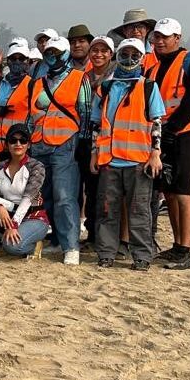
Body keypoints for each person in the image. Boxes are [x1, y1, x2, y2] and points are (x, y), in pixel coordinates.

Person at [90, 39, 165, 271]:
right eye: (125, 54)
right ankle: (106, 254)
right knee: (106, 211)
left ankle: (142, 256)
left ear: (142, 58)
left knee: (139, 211)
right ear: (118, 56)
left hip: (138, 161)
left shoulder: (148, 86)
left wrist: (156, 152)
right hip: (109, 160)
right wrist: (94, 153)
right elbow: (96, 124)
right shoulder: (106, 87)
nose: (129, 59)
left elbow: (157, 123)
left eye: (134, 54)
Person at [144, 18, 190, 271]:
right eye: (156, 37)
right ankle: (176, 245)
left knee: (183, 192)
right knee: (168, 192)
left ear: (177, 38)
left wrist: (172, 129)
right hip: (162, 137)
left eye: (165, 36)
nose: (160, 41)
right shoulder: (152, 69)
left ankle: (185, 248)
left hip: (187, 134)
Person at [27, 36, 91, 265]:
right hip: (39, 145)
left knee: (65, 196)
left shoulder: (79, 78)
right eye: (49, 53)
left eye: (57, 52)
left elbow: (85, 112)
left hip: (66, 144)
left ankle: (71, 245)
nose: (52, 57)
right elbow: (30, 117)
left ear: (66, 54)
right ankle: (53, 239)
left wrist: (82, 144)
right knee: (43, 196)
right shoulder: (37, 82)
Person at [0, 125, 51, 258]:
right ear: (7, 144)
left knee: (12, 246)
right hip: (8, 213)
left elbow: (28, 199)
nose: (18, 144)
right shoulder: (0, 166)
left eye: (23, 140)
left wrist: (14, 224)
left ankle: (35, 245)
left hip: (33, 217)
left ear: (28, 145)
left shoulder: (36, 167)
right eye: (13, 140)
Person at [80, 36, 116, 248]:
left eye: (104, 50)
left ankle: (108, 239)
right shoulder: (83, 78)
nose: (98, 54)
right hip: (86, 139)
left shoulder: (116, 79)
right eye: (95, 50)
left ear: (111, 54)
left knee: (109, 192)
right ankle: (93, 236)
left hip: (111, 142)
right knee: (91, 191)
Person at [0, 42, 34, 155]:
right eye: (13, 58)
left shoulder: (32, 85)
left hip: (20, 145)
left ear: (27, 61)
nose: (17, 62)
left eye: (21, 58)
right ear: (8, 61)